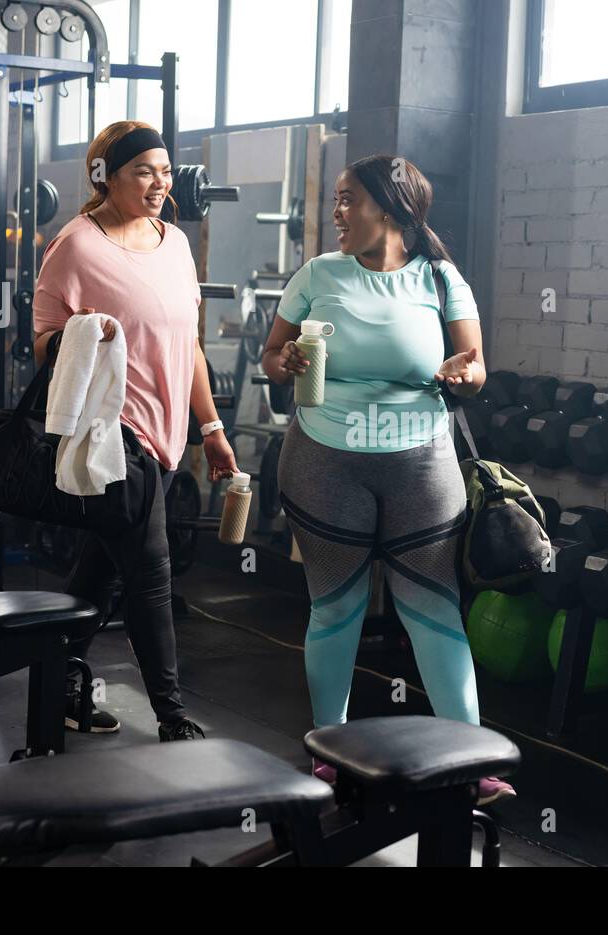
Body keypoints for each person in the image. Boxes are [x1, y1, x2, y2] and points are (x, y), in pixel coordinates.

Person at [261, 154, 516, 805]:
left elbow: (477, 365)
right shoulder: (317, 274)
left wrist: (465, 373)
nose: (338, 212)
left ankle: (468, 757)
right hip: (324, 457)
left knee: (434, 611)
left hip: (420, 461)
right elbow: (272, 356)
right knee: (336, 607)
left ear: (392, 206)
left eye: (350, 200)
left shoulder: (440, 279)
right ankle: (326, 749)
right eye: (337, 200)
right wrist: (284, 359)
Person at [32, 120, 237, 742]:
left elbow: (189, 346)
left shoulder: (173, 242)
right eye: (144, 171)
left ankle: (56, 681)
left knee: (101, 569)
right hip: (111, 434)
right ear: (106, 177)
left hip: (169, 436)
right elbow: (40, 344)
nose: (159, 183)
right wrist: (77, 332)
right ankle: (171, 715)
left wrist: (212, 427)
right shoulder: (76, 245)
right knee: (150, 571)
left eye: (165, 171)